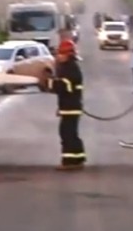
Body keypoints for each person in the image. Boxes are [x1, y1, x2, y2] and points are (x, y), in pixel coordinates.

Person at [44, 39, 86, 170]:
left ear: (67, 54)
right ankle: (78, 158)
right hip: (70, 106)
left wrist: (48, 81)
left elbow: (64, 86)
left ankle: (69, 161)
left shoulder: (70, 68)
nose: (58, 56)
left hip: (71, 107)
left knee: (67, 134)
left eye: (60, 54)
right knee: (71, 133)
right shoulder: (69, 67)